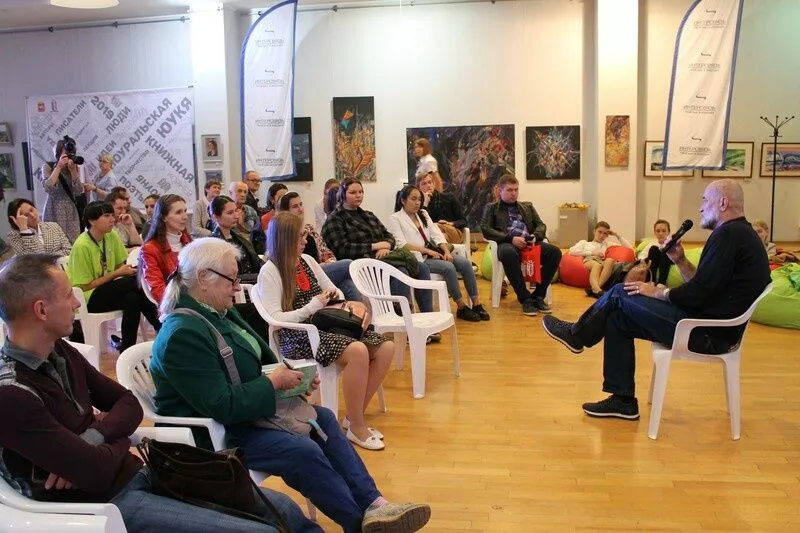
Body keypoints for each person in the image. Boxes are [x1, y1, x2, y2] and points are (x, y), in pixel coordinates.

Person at [0, 253, 318, 533]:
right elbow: (95, 471)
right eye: (69, 294)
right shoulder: (12, 395)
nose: (76, 302)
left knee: (283, 508)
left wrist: (93, 438)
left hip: (140, 472)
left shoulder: (60, 351)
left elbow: (129, 404)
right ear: (41, 310)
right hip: (103, 504)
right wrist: (108, 439)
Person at [150, 239, 432, 533]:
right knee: (302, 451)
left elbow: (254, 363)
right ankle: (358, 524)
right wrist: (274, 382)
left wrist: (292, 380)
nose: (237, 287)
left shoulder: (214, 311)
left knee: (323, 418)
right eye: (232, 280)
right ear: (202, 279)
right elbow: (222, 405)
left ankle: (374, 504)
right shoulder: (182, 334)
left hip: (246, 417)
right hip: (217, 435)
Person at [542, 179, 771, 420]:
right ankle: (622, 401)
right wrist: (680, 260)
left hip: (706, 332)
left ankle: (577, 335)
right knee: (617, 317)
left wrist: (658, 292)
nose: (701, 207)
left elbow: (700, 294)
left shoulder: (728, 235)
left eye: (705, 200)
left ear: (723, 203)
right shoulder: (738, 234)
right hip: (709, 324)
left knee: (620, 293)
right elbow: (705, 285)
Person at [259, 212, 394, 450]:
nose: (306, 240)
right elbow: (276, 319)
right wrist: (314, 305)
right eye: (300, 236)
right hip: (298, 335)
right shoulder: (270, 271)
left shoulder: (307, 261)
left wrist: (340, 300)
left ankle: (353, 417)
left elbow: (334, 290)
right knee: (358, 351)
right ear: (286, 238)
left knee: (386, 347)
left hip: (325, 326)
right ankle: (357, 427)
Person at [323, 178, 434, 316]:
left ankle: (428, 315)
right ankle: (401, 318)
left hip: (383, 258)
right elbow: (342, 249)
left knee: (422, 267)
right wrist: (374, 246)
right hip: (360, 264)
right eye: (353, 192)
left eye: (361, 192)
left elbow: (389, 236)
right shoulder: (335, 218)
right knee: (401, 271)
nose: (358, 195)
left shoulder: (368, 215)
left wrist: (386, 246)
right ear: (343, 194)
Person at [68, 201, 160, 352]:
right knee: (135, 282)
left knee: (132, 298)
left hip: (109, 290)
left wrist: (124, 271)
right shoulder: (82, 246)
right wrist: (117, 274)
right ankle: (161, 325)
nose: (112, 219)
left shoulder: (111, 236)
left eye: (112, 215)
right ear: (92, 221)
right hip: (88, 298)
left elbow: (119, 265)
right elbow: (84, 286)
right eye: (106, 216)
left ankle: (127, 350)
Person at [390, 185, 489, 322]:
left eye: (419, 199)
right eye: (413, 199)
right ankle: (461, 307)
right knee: (448, 267)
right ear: (403, 200)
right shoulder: (395, 218)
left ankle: (476, 304)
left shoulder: (423, 214)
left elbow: (437, 235)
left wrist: (446, 251)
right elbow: (402, 245)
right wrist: (427, 251)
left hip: (435, 252)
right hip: (418, 258)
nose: (417, 202)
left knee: (465, 263)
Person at [480, 175, 562, 316]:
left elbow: (541, 225)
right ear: (500, 190)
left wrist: (535, 237)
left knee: (555, 252)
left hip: (529, 243)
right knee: (508, 253)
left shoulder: (527, 206)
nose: (513, 193)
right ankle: (525, 299)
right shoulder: (491, 208)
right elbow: (486, 229)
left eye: (516, 190)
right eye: (509, 190)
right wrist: (510, 239)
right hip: (507, 243)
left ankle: (538, 296)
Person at [279, 192, 361, 302]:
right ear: (286, 212)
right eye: (295, 206)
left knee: (347, 284)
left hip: (320, 268)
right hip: (305, 271)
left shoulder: (309, 228)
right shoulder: (285, 233)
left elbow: (324, 249)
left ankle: (355, 312)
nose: (300, 209)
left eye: (301, 205)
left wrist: (330, 261)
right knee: (349, 264)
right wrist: (319, 265)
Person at [139, 194, 191, 304]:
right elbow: (158, 290)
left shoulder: (189, 242)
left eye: (185, 211)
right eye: (178, 212)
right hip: (175, 305)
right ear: (163, 217)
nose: (185, 217)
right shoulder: (150, 249)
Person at [569, 221, 633, 298]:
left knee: (610, 260)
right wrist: (592, 253)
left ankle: (595, 289)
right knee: (597, 265)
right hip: (590, 260)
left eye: (605, 233)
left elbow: (629, 248)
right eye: (599, 232)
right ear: (594, 231)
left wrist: (616, 235)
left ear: (607, 235)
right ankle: (597, 289)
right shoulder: (584, 243)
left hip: (602, 261)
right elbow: (572, 251)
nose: (602, 235)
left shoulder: (608, 244)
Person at [209, 195, 264, 284]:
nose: (236, 216)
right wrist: (261, 276)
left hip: (252, 282)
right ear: (215, 217)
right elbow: (229, 277)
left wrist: (268, 269)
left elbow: (257, 261)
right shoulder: (213, 244)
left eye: (236, 211)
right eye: (230, 213)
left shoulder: (238, 237)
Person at [40, 137, 84, 243]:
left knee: (73, 241)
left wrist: (73, 171)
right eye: (65, 154)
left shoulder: (74, 168)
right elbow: (48, 188)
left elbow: (78, 191)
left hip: (70, 209)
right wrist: (58, 167)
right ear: (58, 154)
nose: (68, 157)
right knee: (53, 241)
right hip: (53, 208)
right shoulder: (48, 167)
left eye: (70, 154)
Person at [416, 170, 467, 246]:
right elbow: (422, 224)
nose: (428, 185)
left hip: (452, 231)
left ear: (434, 184)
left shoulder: (449, 197)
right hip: (437, 235)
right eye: (424, 184)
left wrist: (450, 223)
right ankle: (444, 251)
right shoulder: (419, 204)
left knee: (435, 227)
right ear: (419, 188)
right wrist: (425, 204)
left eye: (430, 182)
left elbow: (464, 221)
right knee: (441, 236)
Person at [6, 198, 71, 257]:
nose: (32, 215)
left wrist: (47, 258)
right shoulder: (14, 236)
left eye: (31, 210)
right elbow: (33, 258)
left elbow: (68, 251)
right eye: (26, 215)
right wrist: (24, 230)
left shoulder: (53, 226)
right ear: (17, 219)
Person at [637, 219, 674, 286]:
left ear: (668, 232)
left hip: (667, 259)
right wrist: (643, 261)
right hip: (654, 260)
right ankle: (652, 281)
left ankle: (661, 284)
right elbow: (641, 257)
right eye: (658, 231)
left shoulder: (672, 243)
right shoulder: (652, 244)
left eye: (664, 231)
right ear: (655, 232)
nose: (660, 233)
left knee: (665, 251)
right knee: (654, 249)